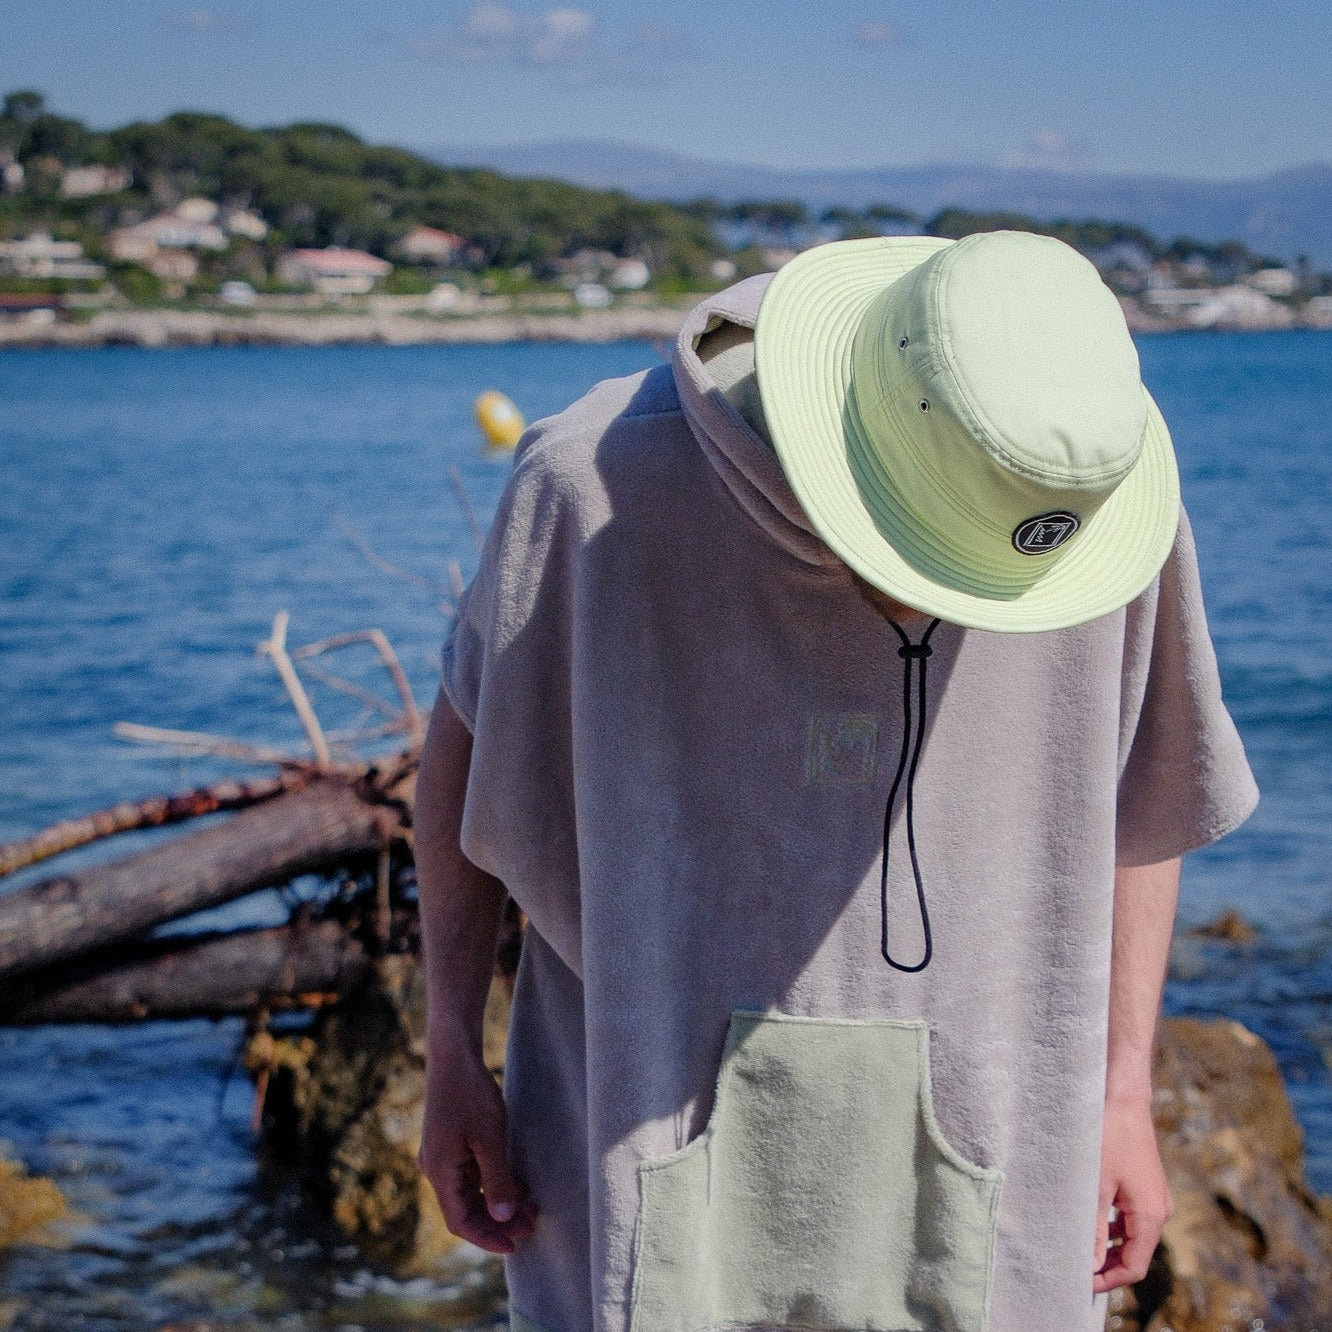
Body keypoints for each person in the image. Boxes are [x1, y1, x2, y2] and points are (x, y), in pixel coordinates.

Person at [414, 231, 1258, 1332]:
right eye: (930, 553)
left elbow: (1139, 803)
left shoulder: (1085, 502)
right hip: (635, 1140)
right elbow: (465, 755)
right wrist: (450, 1052)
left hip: (1009, 1148)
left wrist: (1123, 1091)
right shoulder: (592, 489)